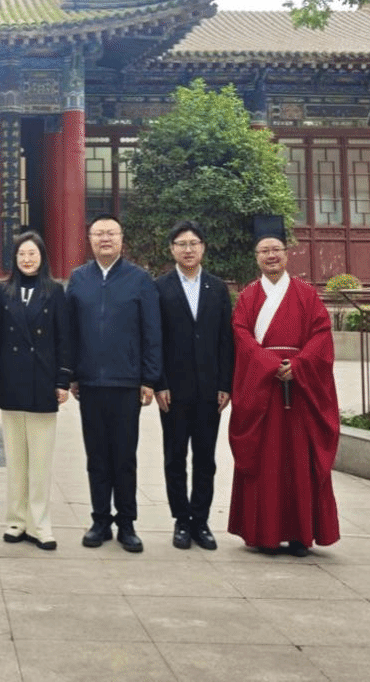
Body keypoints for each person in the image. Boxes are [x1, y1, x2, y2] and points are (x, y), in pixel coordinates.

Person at [228, 221, 340, 556]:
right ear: (256, 257)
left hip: (300, 392)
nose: (271, 256)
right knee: (265, 462)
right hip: (264, 391)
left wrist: (300, 365)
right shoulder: (248, 297)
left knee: (299, 463)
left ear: (287, 254)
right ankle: (264, 533)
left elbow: (321, 334)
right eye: (264, 251)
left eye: (276, 249)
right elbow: (241, 335)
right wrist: (269, 365)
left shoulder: (307, 295)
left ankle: (300, 535)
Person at [66, 214, 162, 553]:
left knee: (124, 456)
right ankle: (100, 520)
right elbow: (70, 332)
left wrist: (149, 378)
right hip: (90, 383)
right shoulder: (79, 279)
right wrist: (71, 374)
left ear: (121, 239)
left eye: (111, 233)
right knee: (96, 456)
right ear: (90, 239)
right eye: (98, 233)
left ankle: (127, 523)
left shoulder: (140, 280)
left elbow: (152, 332)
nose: (105, 238)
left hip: (126, 383)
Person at [0, 232, 72, 550]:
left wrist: (62, 380)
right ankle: (16, 520)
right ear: (15, 258)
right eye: (22, 254)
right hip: (12, 381)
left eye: (32, 253)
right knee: (16, 459)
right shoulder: (4, 290)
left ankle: (40, 524)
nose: (27, 259)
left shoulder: (54, 291)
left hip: (43, 381)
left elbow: (64, 338)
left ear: (42, 257)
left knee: (40, 460)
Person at [154, 220, 234, 551]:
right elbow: (155, 339)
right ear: (172, 249)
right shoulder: (160, 287)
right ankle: (181, 520)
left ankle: (201, 521)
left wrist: (225, 383)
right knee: (175, 458)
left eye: (194, 243)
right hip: (173, 391)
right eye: (181, 244)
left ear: (203, 248)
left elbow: (226, 340)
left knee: (205, 459)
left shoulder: (217, 288)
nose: (188, 249)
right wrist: (159, 383)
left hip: (209, 390)